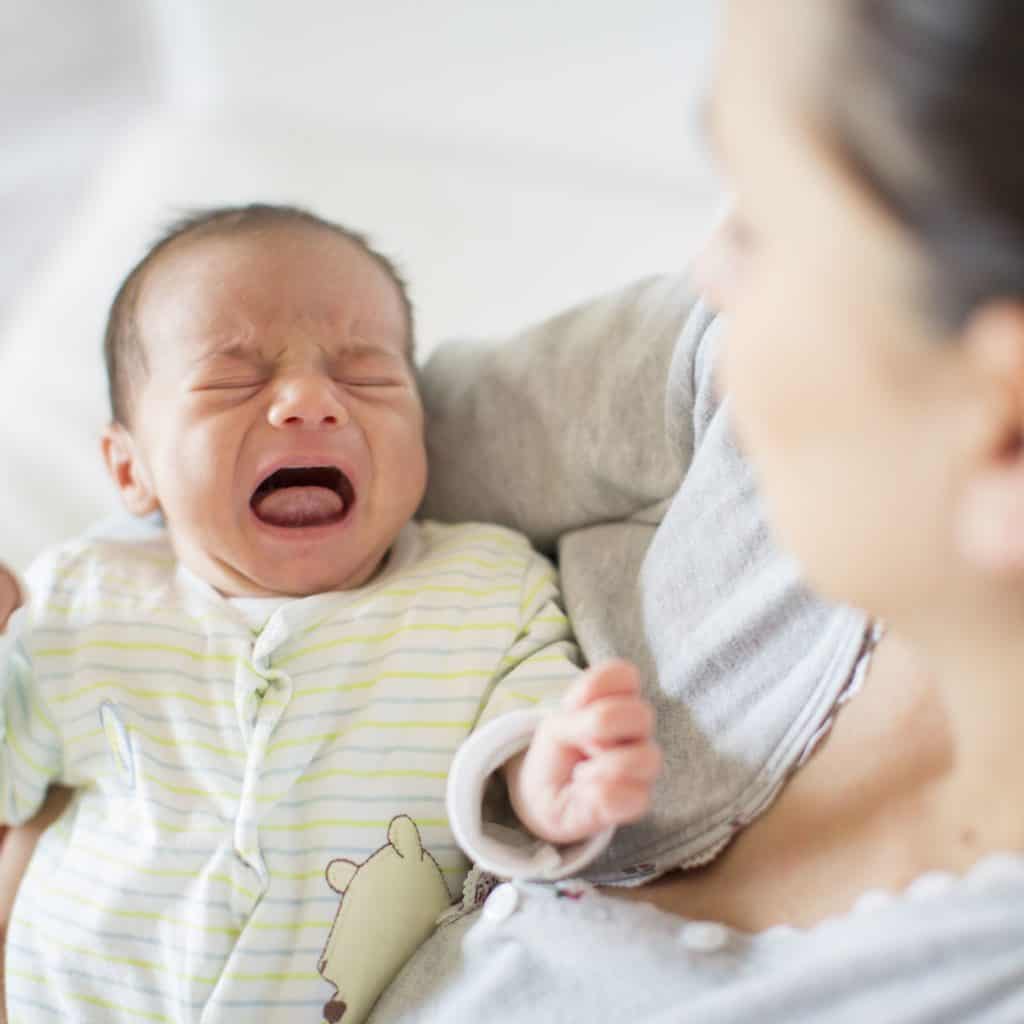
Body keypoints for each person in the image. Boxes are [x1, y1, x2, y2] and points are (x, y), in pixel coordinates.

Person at [364, 1, 1024, 1019]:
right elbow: (347, 451)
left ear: (1001, 429)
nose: (710, 269)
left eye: (759, 220)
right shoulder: (730, 397)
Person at [0, 204, 660, 1023]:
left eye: (367, 375)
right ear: (131, 470)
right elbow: (13, 777)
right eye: (232, 378)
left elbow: (521, 723)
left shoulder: (486, 585)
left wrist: (550, 775)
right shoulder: (85, 597)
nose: (311, 401)